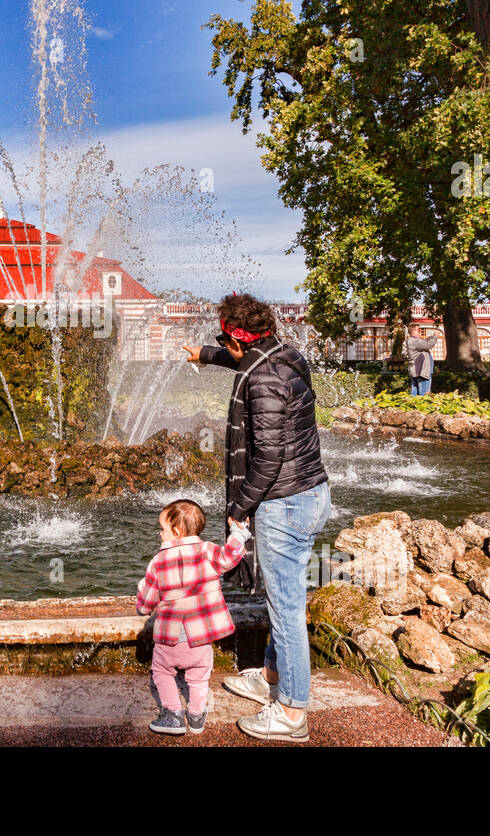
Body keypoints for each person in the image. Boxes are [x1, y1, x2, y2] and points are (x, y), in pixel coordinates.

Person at [182, 292, 330, 743]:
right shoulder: (282, 355)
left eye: (225, 340)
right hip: (308, 493)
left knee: (287, 612)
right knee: (282, 602)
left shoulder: (262, 379)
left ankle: (291, 713)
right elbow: (248, 363)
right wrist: (207, 355)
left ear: (239, 339)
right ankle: (269, 674)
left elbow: (266, 459)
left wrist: (239, 509)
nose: (225, 346)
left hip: (284, 502)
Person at [135, 499, 250, 735]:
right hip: (201, 636)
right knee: (198, 677)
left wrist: (141, 599)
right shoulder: (207, 550)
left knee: (161, 671)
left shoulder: (158, 562)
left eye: (162, 529)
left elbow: (146, 604)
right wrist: (240, 534)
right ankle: (196, 716)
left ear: (176, 532)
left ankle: (173, 715)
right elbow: (231, 555)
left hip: (170, 638)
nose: (159, 533)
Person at [404, 324, 437, 396]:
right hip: (421, 371)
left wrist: (430, 338)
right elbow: (429, 345)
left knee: (414, 393)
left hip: (418, 370)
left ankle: (413, 406)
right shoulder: (415, 341)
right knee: (424, 393)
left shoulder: (414, 341)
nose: (420, 332)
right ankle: (421, 407)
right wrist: (434, 336)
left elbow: (425, 343)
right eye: (418, 330)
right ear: (413, 332)